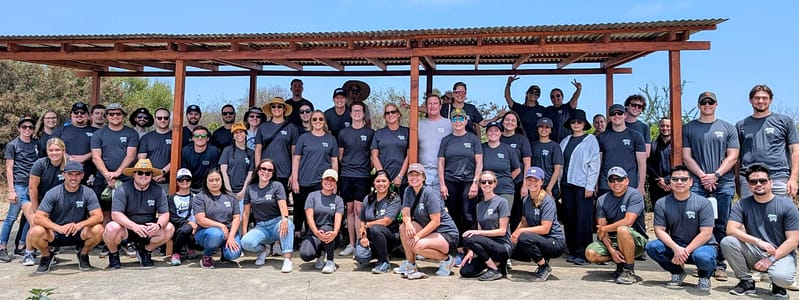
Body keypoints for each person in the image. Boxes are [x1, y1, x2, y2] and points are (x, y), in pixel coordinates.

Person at [683, 91, 739, 280]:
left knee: (721, 224)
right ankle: (702, 262)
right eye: (703, 102)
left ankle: (720, 264)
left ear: (716, 104)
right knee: (697, 224)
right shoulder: (689, 128)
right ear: (699, 105)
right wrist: (702, 176)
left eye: (711, 102)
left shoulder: (728, 128)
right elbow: (686, 156)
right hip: (697, 183)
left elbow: (733, 156)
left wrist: (715, 175)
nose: (707, 105)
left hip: (723, 183)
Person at [721, 164, 799, 297]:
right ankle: (746, 282)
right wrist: (758, 242)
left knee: (782, 277)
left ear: (771, 182)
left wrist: (771, 259)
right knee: (728, 242)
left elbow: (793, 240)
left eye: (763, 181)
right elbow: (731, 229)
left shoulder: (787, 205)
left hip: (781, 254)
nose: (758, 184)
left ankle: (778, 285)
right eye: (753, 181)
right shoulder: (742, 204)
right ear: (749, 185)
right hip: (755, 252)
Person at [645, 165, 717, 291]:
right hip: (677, 245)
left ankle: (705, 276)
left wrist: (685, 251)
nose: (679, 182)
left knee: (704, 257)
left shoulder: (703, 203)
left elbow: (706, 233)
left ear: (691, 182)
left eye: (684, 179)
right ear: (670, 182)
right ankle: (677, 272)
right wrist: (676, 248)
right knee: (652, 247)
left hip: (702, 246)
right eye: (675, 179)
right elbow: (659, 230)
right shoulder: (662, 203)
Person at [28, 161, 104, 273]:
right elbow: (38, 217)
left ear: (82, 175)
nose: (74, 178)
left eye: (77, 174)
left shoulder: (88, 192)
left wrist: (80, 225)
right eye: (70, 174)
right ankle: (46, 256)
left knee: (99, 230)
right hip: (56, 233)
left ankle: (83, 254)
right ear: (63, 175)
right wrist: (57, 228)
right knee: (35, 232)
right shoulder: (53, 193)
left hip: (78, 231)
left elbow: (99, 216)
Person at [103, 158, 174, 269]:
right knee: (111, 227)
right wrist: (134, 226)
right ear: (134, 174)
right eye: (140, 172)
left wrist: (158, 225)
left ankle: (145, 252)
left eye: (147, 173)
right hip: (127, 229)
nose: (143, 176)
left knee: (169, 228)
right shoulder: (122, 189)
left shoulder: (158, 190)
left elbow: (164, 214)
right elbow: (116, 214)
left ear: (151, 175)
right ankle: (114, 254)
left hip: (148, 229)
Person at [585, 167, 649, 285]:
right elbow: (601, 230)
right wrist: (612, 251)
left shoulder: (635, 195)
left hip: (636, 241)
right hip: (613, 241)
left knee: (622, 230)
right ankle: (620, 262)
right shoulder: (602, 200)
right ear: (608, 183)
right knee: (590, 254)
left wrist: (605, 228)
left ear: (627, 181)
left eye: (620, 179)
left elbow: (628, 221)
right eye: (612, 180)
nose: (616, 183)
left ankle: (629, 270)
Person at [394, 163, 460, 279]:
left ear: (424, 177)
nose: (414, 178)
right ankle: (411, 264)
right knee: (403, 228)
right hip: (430, 231)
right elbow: (405, 212)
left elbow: (436, 221)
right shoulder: (408, 190)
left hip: (446, 233)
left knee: (417, 246)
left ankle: (447, 260)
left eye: (417, 175)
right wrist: (408, 223)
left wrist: (418, 236)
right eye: (411, 175)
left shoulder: (430, 193)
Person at [736, 84, 799, 198]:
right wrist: (737, 182)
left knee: (781, 214)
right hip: (749, 179)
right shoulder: (741, 125)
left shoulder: (784, 121)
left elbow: (795, 151)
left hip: (778, 177)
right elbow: (736, 157)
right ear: (750, 100)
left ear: (771, 100)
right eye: (757, 98)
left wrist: (793, 179)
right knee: (750, 215)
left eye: (764, 98)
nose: (760, 101)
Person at [510, 167, 566, 282]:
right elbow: (524, 221)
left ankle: (544, 266)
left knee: (524, 237)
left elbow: (545, 229)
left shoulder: (547, 201)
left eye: (535, 180)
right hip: (539, 238)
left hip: (554, 241)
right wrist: (513, 236)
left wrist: (520, 232)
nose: (532, 183)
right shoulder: (526, 200)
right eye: (529, 179)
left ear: (542, 181)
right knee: (512, 241)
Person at [559, 109, 600, 265]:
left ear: (584, 124)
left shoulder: (590, 140)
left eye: (579, 122)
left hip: (582, 185)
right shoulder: (565, 141)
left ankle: (584, 251)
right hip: (566, 184)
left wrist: (590, 185)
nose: (576, 124)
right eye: (573, 122)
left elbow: (594, 164)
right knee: (569, 218)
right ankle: (572, 249)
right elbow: (561, 165)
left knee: (583, 219)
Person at [291, 110, 338, 238]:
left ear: (324, 122)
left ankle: (315, 236)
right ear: (311, 122)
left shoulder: (331, 139)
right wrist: (295, 179)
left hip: (322, 182)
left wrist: (335, 182)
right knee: (301, 210)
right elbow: (296, 159)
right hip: (304, 180)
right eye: (315, 119)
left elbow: (334, 161)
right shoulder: (304, 138)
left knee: (319, 211)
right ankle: (298, 238)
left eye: (320, 119)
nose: (318, 122)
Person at [240, 159, 294, 272]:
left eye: (270, 170)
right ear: (258, 171)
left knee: (288, 224)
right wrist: (244, 232)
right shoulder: (250, 188)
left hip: (276, 224)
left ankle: (287, 260)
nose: (266, 172)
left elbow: (283, 206)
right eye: (263, 169)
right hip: (261, 227)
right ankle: (264, 250)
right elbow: (246, 213)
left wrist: (284, 219)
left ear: (273, 173)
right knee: (246, 242)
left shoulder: (277, 186)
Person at [91, 103, 139, 226]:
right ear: (106, 116)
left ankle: (124, 240)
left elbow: (131, 155)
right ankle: (104, 241)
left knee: (125, 210)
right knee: (103, 211)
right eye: (111, 114)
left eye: (118, 113)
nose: (115, 116)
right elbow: (96, 156)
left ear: (123, 116)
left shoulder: (132, 133)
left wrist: (117, 173)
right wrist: (107, 174)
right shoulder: (98, 134)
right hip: (103, 178)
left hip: (125, 178)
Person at [458, 171, 512, 281]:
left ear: (495, 184)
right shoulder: (479, 206)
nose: (486, 184)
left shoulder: (502, 202)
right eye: (483, 182)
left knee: (468, 238)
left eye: (490, 182)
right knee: (465, 272)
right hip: (486, 248)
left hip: (501, 246)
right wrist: (472, 251)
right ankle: (496, 265)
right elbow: (479, 231)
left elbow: (502, 231)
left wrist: (477, 234)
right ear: (480, 184)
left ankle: (494, 269)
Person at [22, 137, 67, 266]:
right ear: (47, 151)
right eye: (51, 150)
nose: (54, 153)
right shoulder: (40, 164)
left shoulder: (68, 165)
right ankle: (29, 253)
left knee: (47, 227)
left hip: (52, 202)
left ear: (63, 150)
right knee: (35, 223)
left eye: (57, 150)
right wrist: (36, 210)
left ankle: (48, 252)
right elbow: (32, 188)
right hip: (32, 198)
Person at [438, 108, 483, 237]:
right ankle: (456, 245)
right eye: (454, 119)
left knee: (468, 214)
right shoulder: (446, 140)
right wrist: (442, 184)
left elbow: (479, 162)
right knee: (453, 214)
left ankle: (470, 246)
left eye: (460, 119)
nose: (457, 122)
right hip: (450, 181)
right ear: (451, 122)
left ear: (465, 120)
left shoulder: (473, 139)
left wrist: (475, 182)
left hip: (468, 181)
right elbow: (441, 163)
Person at [337, 102, 375, 256]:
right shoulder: (343, 133)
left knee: (360, 210)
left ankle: (361, 242)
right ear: (350, 114)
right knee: (350, 209)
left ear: (364, 113)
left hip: (363, 176)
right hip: (346, 175)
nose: (357, 113)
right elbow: (340, 155)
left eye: (360, 111)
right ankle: (352, 243)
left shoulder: (370, 133)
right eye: (354, 111)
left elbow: (372, 156)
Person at [1, 117, 38, 262]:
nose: (27, 129)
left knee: (30, 216)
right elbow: (9, 168)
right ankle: (2, 247)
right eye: (24, 127)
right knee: (11, 217)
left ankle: (22, 245)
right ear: (19, 128)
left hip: (32, 185)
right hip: (19, 185)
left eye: (30, 127)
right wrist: (11, 190)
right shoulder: (13, 145)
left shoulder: (36, 144)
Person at [193, 168, 243, 269]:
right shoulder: (200, 197)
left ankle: (225, 254)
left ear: (222, 180)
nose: (214, 183)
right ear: (206, 181)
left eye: (217, 179)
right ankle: (207, 256)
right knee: (216, 233)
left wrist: (231, 236)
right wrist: (221, 226)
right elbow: (200, 220)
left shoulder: (231, 196)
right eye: (211, 180)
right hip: (207, 233)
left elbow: (237, 217)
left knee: (233, 254)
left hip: (229, 232)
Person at [299, 169, 344, 274]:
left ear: (335, 183)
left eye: (332, 180)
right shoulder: (312, 196)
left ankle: (330, 261)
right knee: (306, 254)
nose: (329, 182)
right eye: (326, 179)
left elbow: (338, 219)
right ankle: (320, 254)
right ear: (322, 180)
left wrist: (335, 232)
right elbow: (309, 217)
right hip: (315, 232)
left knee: (326, 228)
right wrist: (316, 232)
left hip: (332, 235)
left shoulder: (338, 199)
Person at [597, 104, 646, 196]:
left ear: (625, 115)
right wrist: (595, 183)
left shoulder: (636, 136)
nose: (616, 116)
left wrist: (641, 185)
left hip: (629, 184)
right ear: (609, 117)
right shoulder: (601, 137)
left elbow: (642, 164)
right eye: (613, 114)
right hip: (606, 184)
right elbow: (598, 163)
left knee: (630, 211)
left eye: (619, 113)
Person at [357, 170, 401, 274]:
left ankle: (384, 262)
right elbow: (362, 220)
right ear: (374, 183)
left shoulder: (395, 198)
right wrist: (363, 237)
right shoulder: (368, 198)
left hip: (390, 236)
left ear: (389, 183)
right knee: (361, 257)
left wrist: (368, 225)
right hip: (371, 235)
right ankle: (378, 254)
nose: (381, 184)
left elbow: (386, 221)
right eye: (378, 181)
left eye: (384, 181)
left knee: (375, 228)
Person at [255, 97, 299, 199]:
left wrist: (293, 174)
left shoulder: (292, 128)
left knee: (282, 204)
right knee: (264, 203)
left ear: (284, 109)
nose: (276, 108)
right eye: (273, 106)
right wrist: (258, 171)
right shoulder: (263, 127)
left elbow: (294, 153)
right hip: (266, 172)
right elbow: (258, 151)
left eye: (279, 106)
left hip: (284, 173)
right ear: (270, 109)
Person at [499, 111, 531, 229]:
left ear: (517, 124)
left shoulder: (521, 139)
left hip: (517, 182)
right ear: (502, 122)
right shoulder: (497, 137)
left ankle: (513, 242)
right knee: (500, 213)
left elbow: (527, 163)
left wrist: (525, 185)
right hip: (499, 183)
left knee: (516, 213)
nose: (509, 122)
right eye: (507, 120)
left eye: (513, 120)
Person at [52, 102, 96, 186]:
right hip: (64, 172)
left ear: (88, 115)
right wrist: (67, 156)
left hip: (89, 174)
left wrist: (84, 157)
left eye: (82, 112)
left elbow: (102, 149)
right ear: (71, 114)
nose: (79, 114)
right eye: (76, 112)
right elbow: (50, 147)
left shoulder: (96, 132)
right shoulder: (61, 130)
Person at [417, 94, 452, 197]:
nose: (432, 106)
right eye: (429, 104)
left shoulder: (449, 124)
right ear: (426, 107)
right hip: (423, 173)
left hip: (443, 174)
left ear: (440, 106)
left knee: (440, 208)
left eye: (435, 103)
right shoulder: (418, 124)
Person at [371, 103, 410, 194]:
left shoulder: (407, 132)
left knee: (403, 207)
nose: (390, 114)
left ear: (398, 114)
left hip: (403, 179)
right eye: (387, 113)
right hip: (384, 180)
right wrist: (382, 174)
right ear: (384, 116)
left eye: (393, 112)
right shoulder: (378, 133)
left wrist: (400, 176)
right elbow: (374, 155)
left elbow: (409, 155)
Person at [481, 121, 521, 206]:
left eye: (496, 130)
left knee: (503, 217)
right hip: (486, 189)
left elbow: (517, 169)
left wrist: (506, 179)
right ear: (486, 133)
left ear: (501, 133)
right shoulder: (481, 148)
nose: (493, 133)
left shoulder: (508, 149)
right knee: (487, 218)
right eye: (490, 130)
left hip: (505, 190)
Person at [167, 168, 197, 266]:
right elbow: (173, 217)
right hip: (179, 228)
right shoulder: (171, 198)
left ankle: (191, 248)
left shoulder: (196, 197)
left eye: (187, 179)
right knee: (186, 229)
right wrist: (188, 223)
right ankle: (176, 253)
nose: (184, 182)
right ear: (177, 182)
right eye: (181, 179)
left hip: (195, 228)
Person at [137, 108, 172, 191]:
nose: (163, 120)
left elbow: (177, 158)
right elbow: (142, 160)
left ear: (169, 119)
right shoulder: (146, 138)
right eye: (159, 118)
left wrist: (162, 173)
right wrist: (151, 174)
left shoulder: (176, 136)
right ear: (155, 119)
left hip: (168, 182)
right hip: (148, 181)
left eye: (166, 118)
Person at [504, 75, 546, 143]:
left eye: (536, 93)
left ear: (539, 96)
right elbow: (507, 97)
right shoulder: (519, 108)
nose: (533, 94)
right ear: (527, 94)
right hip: (520, 141)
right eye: (531, 92)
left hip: (536, 142)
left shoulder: (542, 110)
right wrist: (508, 84)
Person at [181, 126, 221, 194]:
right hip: (189, 186)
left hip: (207, 187)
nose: (200, 138)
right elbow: (184, 172)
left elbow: (213, 172)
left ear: (207, 138)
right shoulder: (185, 151)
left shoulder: (214, 151)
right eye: (196, 136)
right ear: (192, 138)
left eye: (203, 136)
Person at [530, 117, 563, 200]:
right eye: (541, 126)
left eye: (547, 127)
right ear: (537, 129)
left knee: (548, 211)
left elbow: (557, 170)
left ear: (551, 130)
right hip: (534, 185)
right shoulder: (532, 145)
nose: (544, 129)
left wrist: (549, 188)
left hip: (549, 186)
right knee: (534, 210)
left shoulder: (555, 146)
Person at [219, 122, 254, 200]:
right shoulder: (227, 150)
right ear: (233, 136)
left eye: (241, 132)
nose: (239, 134)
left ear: (246, 134)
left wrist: (243, 191)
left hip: (244, 192)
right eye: (236, 133)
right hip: (228, 192)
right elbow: (223, 170)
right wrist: (229, 191)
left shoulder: (251, 153)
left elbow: (250, 174)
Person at [646, 117, 672, 207]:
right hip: (656, 186)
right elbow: (648, 165)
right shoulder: (652, 145)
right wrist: (659, 180)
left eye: (668, 126)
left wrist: (668, 180)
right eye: (662, 126)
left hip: (674, 185)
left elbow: (682, 165)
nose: (665, 128)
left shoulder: (678, 146)